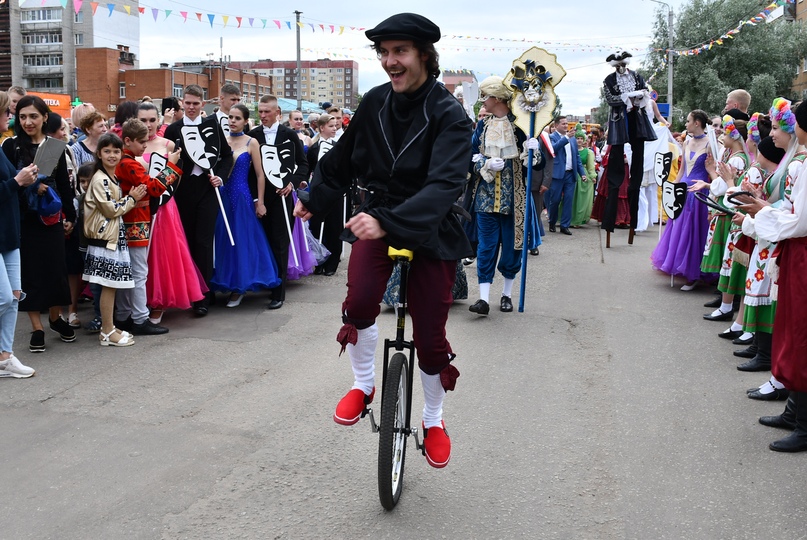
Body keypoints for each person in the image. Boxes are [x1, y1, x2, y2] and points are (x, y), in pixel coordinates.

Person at [294, 13, 474, 468]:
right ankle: (363, 383)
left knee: (431, 336)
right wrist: (314, 198)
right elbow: (339, 163)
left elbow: (444, 185)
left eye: (400, 52)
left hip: (431, 225)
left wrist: (390, 221)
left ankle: (433, 419)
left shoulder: (449, 113)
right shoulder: (374, 102)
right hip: (376, 214)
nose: (390, 61)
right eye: (384, 52)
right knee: (359, 305)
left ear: (424, 57)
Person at [735, 100, 807, 452]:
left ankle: (803, 423)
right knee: (793, 329)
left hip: (801, 249)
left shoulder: (803, 165)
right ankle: (795, 411)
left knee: (800, 332)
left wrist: (760, 213)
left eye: (780, 126)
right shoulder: (800, 162)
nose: (773, 132)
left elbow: (798, 220)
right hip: (795, 248)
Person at [2, 95, 77, 353]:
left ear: (45, 117)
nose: (27, 122)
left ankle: (56, 318)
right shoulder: (11, 146)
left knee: (56, 271)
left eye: (33, 116)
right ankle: (37, 328)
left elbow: (66, 187)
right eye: (22, 116)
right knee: (30, 275)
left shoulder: (55, 146)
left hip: (51, 218)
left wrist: (70, 217)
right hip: (23, 221)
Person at [468, 75, 544, 315]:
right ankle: (483, 299)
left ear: (497, 98)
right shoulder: (483, 125)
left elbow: (536, 166)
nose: (483, 102)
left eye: (485, 97)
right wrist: (486, 164)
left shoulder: (522, 126)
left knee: (512, 248)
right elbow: (470, 157)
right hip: (485, 198)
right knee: (486, 247)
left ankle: (507, 295)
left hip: (515, 199)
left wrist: (534, 150)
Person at [164, 84, 233, 316]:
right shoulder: (173, 130)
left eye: (196, 103)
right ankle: (188, 290)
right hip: (183, 191)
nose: (191, 107)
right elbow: (167, 162)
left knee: (203, 242)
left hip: (207, 190)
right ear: (182, 103)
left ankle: (203, 295)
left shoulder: (212, 125)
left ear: (203, 104)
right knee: (186, 241)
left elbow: (226, 156)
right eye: (188, 103)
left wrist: (221, 178)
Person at [113, 118, 181, 335]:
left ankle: (124, 315)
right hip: (136, 222)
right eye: (141, 142)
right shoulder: (129, 163)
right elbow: (152, 187)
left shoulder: (124, 161)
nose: (145, 145)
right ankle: (140, 319)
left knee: (128, 272)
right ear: (127, 141)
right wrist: (171, 165)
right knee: (139, 272)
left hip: (130, 220)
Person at [210, 103, 281, 306]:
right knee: (222, 240)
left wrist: (261, 202)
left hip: (241, 197)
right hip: (222, 194)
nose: (232, 121)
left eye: (237, 118)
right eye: (230, 117)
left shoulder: (252, 142)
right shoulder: (221, 141)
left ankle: (239, 287)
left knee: (242, 241)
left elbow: (260, 174)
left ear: (245, 121)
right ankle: (224, 282)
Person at [82, 133, 147, 346]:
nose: (112, 155)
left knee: (111, 286)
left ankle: (108, 327)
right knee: (109, 286)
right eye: (107, 151)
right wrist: (132, 198)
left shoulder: (110, 177)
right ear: (99, 154)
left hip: (110, 238)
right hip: (104, 240)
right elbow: (111, 210)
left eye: (116, 151)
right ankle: (107, 332)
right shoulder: (100, 179)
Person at [246, 94, 308, 310]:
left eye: (266, 112)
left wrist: (292, 182)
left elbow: (302, 164)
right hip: (259, 198)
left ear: (277, 112)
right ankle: (264, 282)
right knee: (260, 241)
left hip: (282, 197)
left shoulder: (290, 135)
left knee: (280, 243)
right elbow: (250, 172)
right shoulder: (252, 135)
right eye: (260, 112)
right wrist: (256, 199)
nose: (262, 116)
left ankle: (278, 292)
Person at [650, 110, 712, 289]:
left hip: (699, 193)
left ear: (697, 123)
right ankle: (679, 267)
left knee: (693, 232)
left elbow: (711, 171)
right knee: (678, 229)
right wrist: (672, 189)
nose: (686, 124)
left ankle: (693, 274)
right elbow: (682, 170)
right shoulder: (686, 142)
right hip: (683, 191)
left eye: (688, 121)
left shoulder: (710, 145)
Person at [0, 91, 38, 378]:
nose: (10, 118)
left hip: (9, 231)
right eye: (7, 112)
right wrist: (17, 181)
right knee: (2, 297)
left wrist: (25, 177)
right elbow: (7, 186)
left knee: (14, 296)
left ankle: (5, 356)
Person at [602, 50, 657, 244]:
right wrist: (626, 98)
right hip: (619, 120)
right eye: (618, 66)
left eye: (623, 65)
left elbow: (646, 93)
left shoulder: (637, 76)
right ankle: (610, 222)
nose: (621, 68)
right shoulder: (609, 80)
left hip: (637, 120)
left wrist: (638, 97)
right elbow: (611, 99)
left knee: (638, 166)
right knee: (615, 170)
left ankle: (634, 221)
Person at [307, 113, 344, 275]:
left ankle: (332, 263)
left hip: (335, 192)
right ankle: (318, 261)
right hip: (318, 192)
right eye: (331, 126)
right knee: (316, 225)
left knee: (334, 226)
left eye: (335, 125)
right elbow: (308, 168)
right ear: (321, 128)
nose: (334, 128)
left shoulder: (339, 147)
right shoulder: (313, 149)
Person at [548, 117, 586, 234]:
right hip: (558, 174)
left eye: (567, 123)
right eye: (563, 124)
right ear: (557, 125)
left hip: (570, 174)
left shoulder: (573, 139)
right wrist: (565, 138)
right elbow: (553, 149)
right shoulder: (552, 137)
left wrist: (582, 173)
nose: (566, 126)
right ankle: (552, 221)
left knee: (568, 200)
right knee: (555, 200)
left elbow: (577, 158)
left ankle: (565, 225)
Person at [569, 124, 596, 227]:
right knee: (570, 198)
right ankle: (569, 218)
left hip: (583, 176)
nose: (579, 140)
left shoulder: (588, 152)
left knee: (580, 199)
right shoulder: (571, 150)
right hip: (572, 174)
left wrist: (592, 176)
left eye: (581, 138)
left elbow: (590, 166)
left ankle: (579, 219)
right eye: (577, 138)